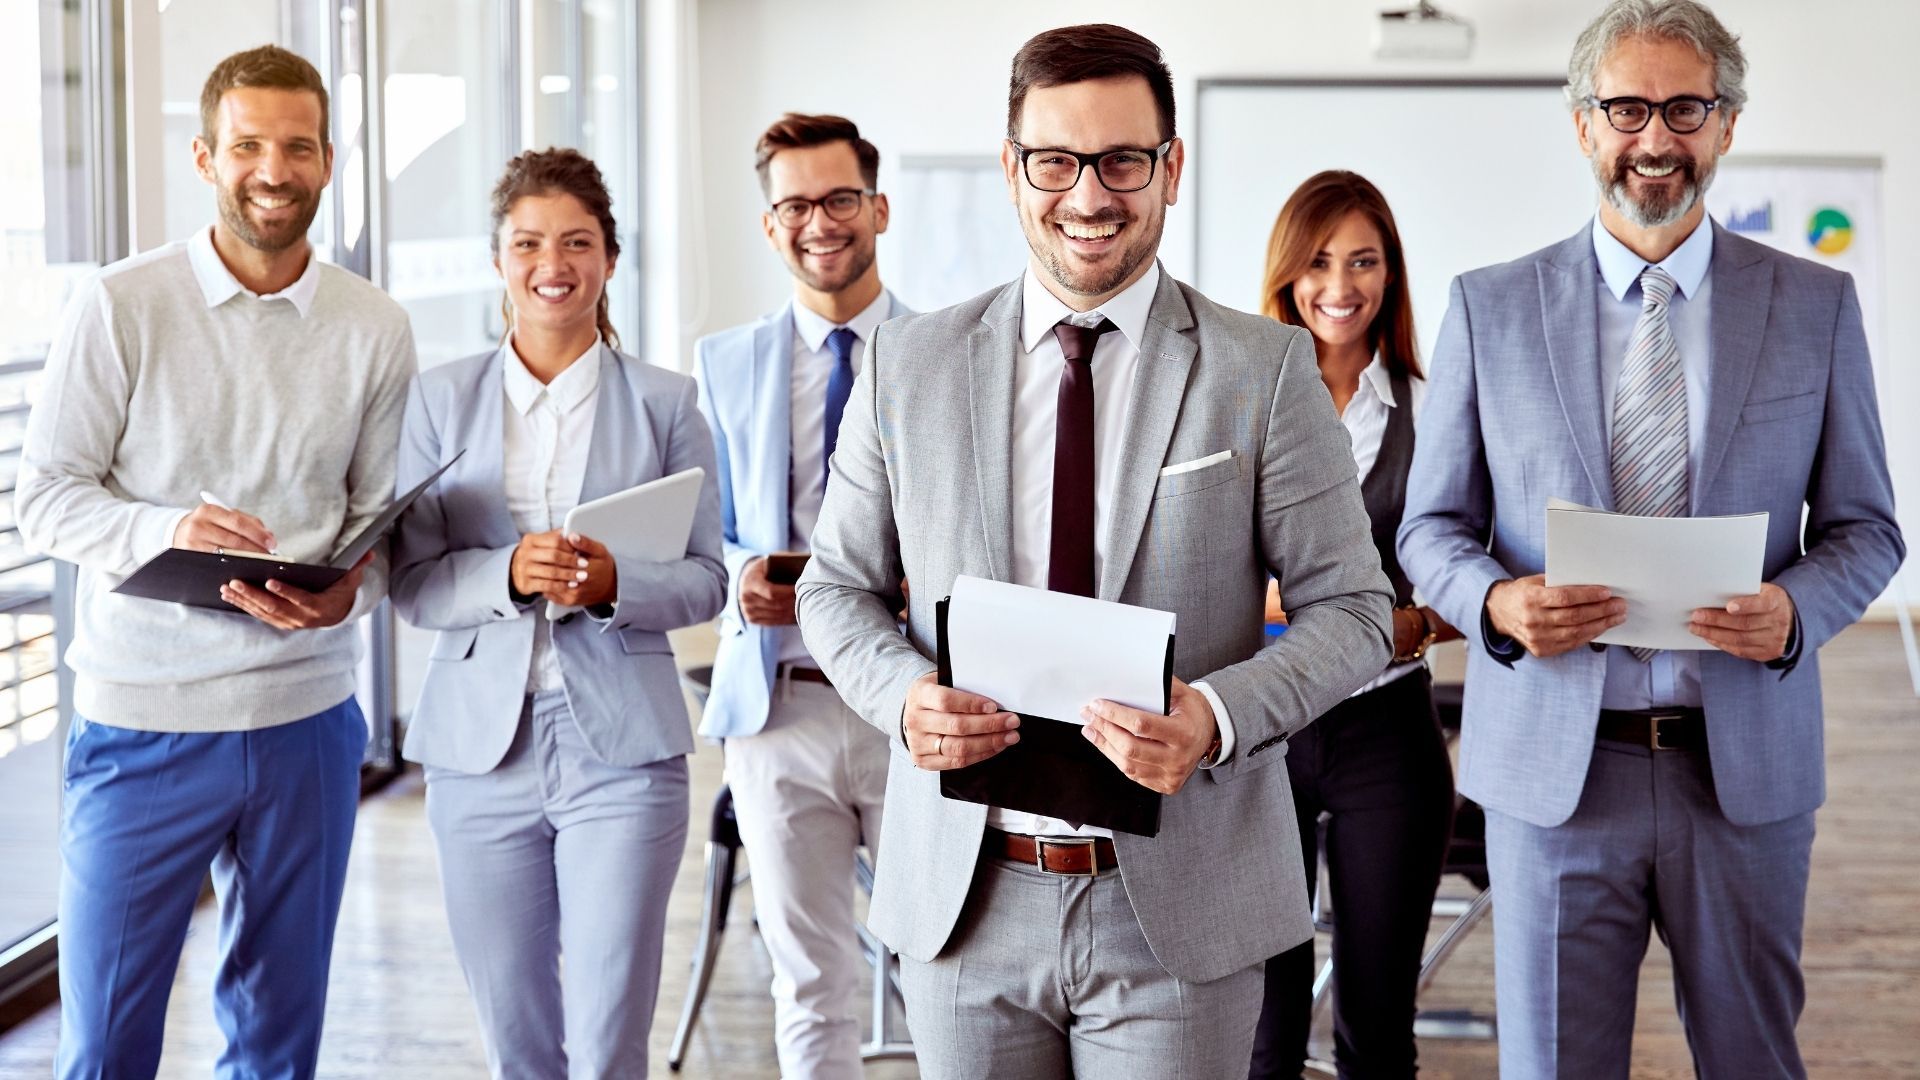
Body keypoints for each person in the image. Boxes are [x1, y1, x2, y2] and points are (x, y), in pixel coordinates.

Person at [794, 23, 1394, 1078]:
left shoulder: (1263, 368)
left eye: (1122, 161)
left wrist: (1213, 719)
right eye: (1055, 161)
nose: (1088, 195)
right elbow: (836, 588)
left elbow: (1354, 611)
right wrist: (898, 697)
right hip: (966, 900)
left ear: (1170, 168)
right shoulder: (908, 364)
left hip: (1179, 899)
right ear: (1012, 169)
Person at [1397, 1, 1905, 1075]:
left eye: (1686, 107)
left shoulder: (1815, 306)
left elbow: (1867, 529)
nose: (1656, 138)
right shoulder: (1490, 308)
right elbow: (1431, 527)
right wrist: (1495, 602)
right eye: (1627, 107)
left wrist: (1795, 611)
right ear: (1584, 125)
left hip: (1747, 776)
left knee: (1752, 1060)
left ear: (1725, 127)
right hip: (1553, 777)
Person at [14, 45, 416, 1079]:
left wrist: (349, 598)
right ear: (205, 157)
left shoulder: (373, 326)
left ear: (329, 160)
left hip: (308, 724)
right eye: (246, 146)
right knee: (104, 1043)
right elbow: (44, 499)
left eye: (295, 147)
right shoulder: (120, 303)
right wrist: (165, 533)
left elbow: (374, 518)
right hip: (144, 721)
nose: (271, 171)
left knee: (280, 1044)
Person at [389, 147, 725, 1079]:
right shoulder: (437, 399)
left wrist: (614, 581)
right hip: (477, 752)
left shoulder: (668, 403)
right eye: (529, 242)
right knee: (517, 1037)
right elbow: (410, 583)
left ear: (611, 259)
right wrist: (507, 575)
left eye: (578, 241)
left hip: (624, 750)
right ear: (498, 259)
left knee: (611, 1033)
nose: (554, 262)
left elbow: (707, 579)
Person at [693, 112, 910, 1080]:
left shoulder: (945, 350)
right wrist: (744, 574)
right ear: (770, 224)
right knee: (810, 983)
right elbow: (713, 525)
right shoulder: (726, 362)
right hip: (777, 709)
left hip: (914, 705)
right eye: (794, 205)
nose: (818, 221)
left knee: (944, 969)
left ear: (878, 210)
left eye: (838, 199)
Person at [1248, 171, 1461, 1080]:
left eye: (1364, 261)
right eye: (1320, 261)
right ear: (1288, 275)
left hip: (1387, 727)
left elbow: (1469, 569)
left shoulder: (1438, 403)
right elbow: (1204, 568)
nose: (1341, 285)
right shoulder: (1244, 399)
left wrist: (1401, 624)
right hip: (1262, 731)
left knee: (1377, 1029)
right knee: (1264, 1027)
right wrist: (1328, 612)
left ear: (1392, 273)